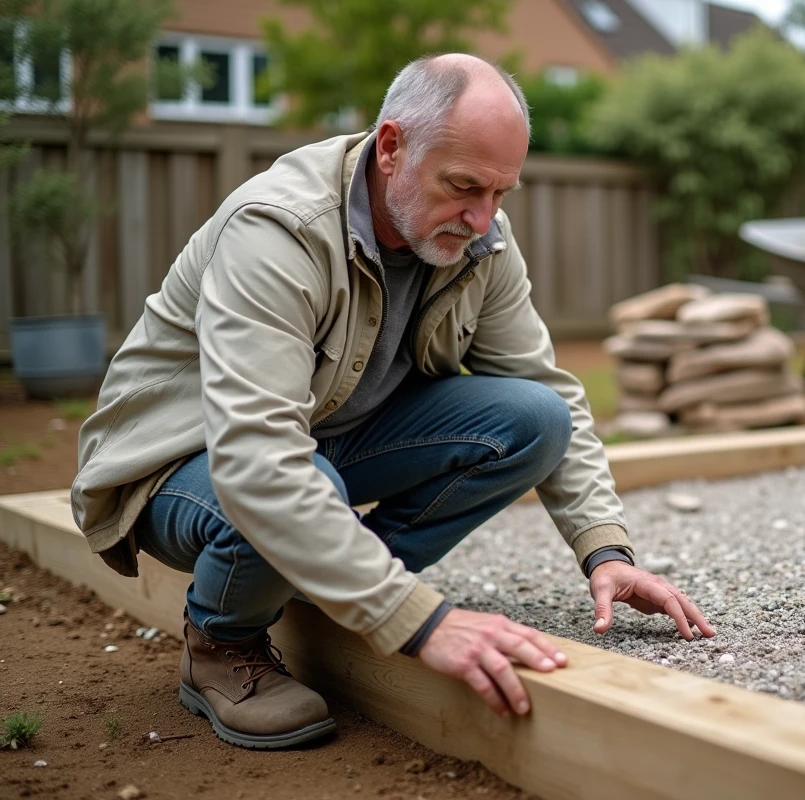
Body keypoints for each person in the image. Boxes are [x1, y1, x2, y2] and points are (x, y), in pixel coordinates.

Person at [71, 53, 715, 750]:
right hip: (177, 462)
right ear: (390, 146)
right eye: (464, 186)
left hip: (326, 440)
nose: (481, 218)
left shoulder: (481, 239)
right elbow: (258, 459)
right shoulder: (277, 230)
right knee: (294, 483)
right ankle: (222, 644)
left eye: (501, 194)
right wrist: (420, 622)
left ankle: (331, 581)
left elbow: (547, 386)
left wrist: (605, 551)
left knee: (536, 419)